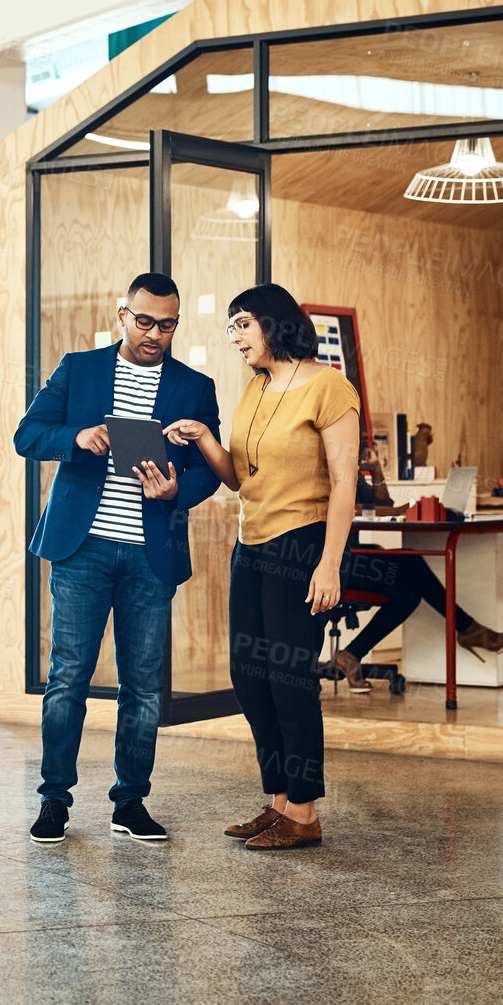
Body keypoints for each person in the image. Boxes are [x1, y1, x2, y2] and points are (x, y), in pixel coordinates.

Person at [13, 272, 224, 845]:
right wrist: (77, 437)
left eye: (169, 324)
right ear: (121, 315)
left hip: (149, 556)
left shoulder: (194, 385)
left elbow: (212, 468)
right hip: (80, 551)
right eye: (146, 321)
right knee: (68, 680)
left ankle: (130, 803)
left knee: (144, 688)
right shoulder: (79, 369)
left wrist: (178, 489)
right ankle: (54, 800)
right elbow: (27, 435)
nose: (156, 333)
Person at [163, 283, 358, 851]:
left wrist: (330, 564)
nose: (234, 337)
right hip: (252, 546)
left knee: (290, 679)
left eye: (242, 324)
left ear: (274, 323)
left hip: (304, 545)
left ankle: (304, 811)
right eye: (230, 327)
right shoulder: (255, 387)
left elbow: (345, 483)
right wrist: (202, 438)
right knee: (251, 677)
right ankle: (278, 802)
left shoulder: (328, 387)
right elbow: (239, 478)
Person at [324, 446, 503, 692]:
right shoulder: (326, 470)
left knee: (409, 593)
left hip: (356, 557)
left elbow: (383, 501)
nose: (361, 444)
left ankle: (351, 654)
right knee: (411, 562)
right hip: (334, 566)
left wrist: (376, 469)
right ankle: (468, 628)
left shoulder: (352, 471)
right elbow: (343, 509)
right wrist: (395, 512)